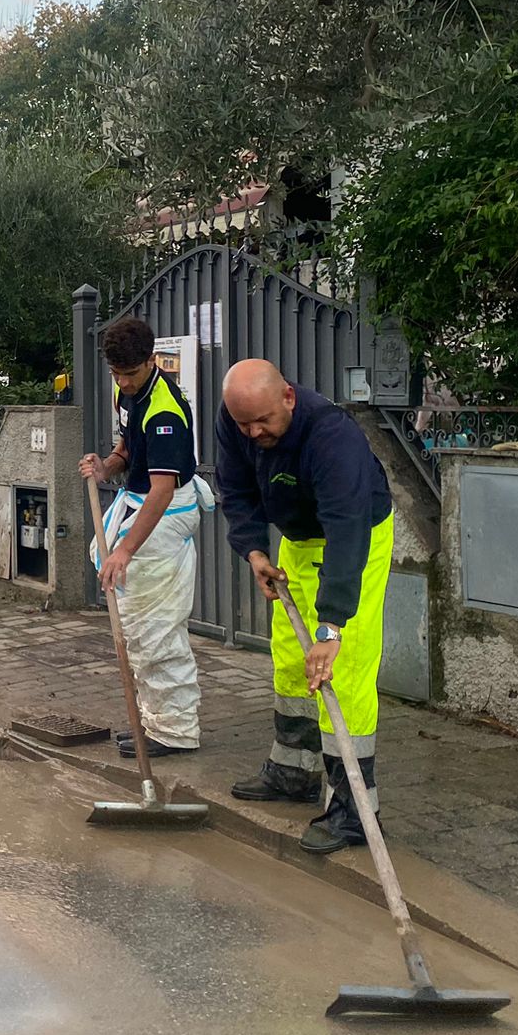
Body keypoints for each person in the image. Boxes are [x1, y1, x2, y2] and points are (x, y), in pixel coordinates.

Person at [215, 359, 394, 855]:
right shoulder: (237, 422)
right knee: (291, 656)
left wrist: (332, 627)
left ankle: (354, 811)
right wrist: (254, 552)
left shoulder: (333, 438)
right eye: (243, 424)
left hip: (355, 537)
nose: (253, 433)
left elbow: (347, 532)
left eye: (263, 422)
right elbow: (236, 490)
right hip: (298, 538)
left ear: (288, 398)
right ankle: (293, 771)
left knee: (343, 670)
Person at [78, 316, 208, 759]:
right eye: (116, 374)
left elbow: (163, 488)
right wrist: (107, 467)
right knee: (136, 626)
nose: (122, 383)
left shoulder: (166, 409)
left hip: (163, 514)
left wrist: (125, 551)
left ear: (152, 361)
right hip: (139, 503)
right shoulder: (126, 392)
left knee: (155, 627)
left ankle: (175, 731)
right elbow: (128, 448)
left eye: (130, 374)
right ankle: (153, 723)